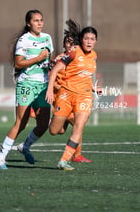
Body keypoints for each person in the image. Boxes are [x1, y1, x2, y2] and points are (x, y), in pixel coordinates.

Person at [18, 34, 92, 163]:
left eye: (73, 42)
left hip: (73, 95)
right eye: (67, 42)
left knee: (61, 130)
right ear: (64, 45)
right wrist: (59, 87)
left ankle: (41, 121)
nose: (70, 45)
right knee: (77, 124)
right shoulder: (60, 59)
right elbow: (51, 77)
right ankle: (76, 155)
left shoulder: (75, 56)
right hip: (62, 97)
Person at [0, 9, 53, 169]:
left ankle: (25, 146)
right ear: (28, 23)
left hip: (43, 86)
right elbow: (18, 63)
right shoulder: (23, 40)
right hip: (27, 84)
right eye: (36, 20)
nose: (40, 23)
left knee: (44, 124)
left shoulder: (48, 38)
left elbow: (50, 61)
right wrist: (38, 58)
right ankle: (1, 158)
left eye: (41, 20)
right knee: (21, 123)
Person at [46, 19, 98, 170]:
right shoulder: (74, 51)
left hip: (84, 96)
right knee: (55, 131)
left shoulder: (94, 55)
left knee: (79, 126)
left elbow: (86, 76)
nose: (89, 42)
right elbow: (55, 70)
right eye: (86, 38)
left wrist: (94, 88)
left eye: (92, 39)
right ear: (81, 40)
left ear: (96, 41)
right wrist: (50, 89)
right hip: (66, 95)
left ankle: (64, 160)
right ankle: (50, 119)